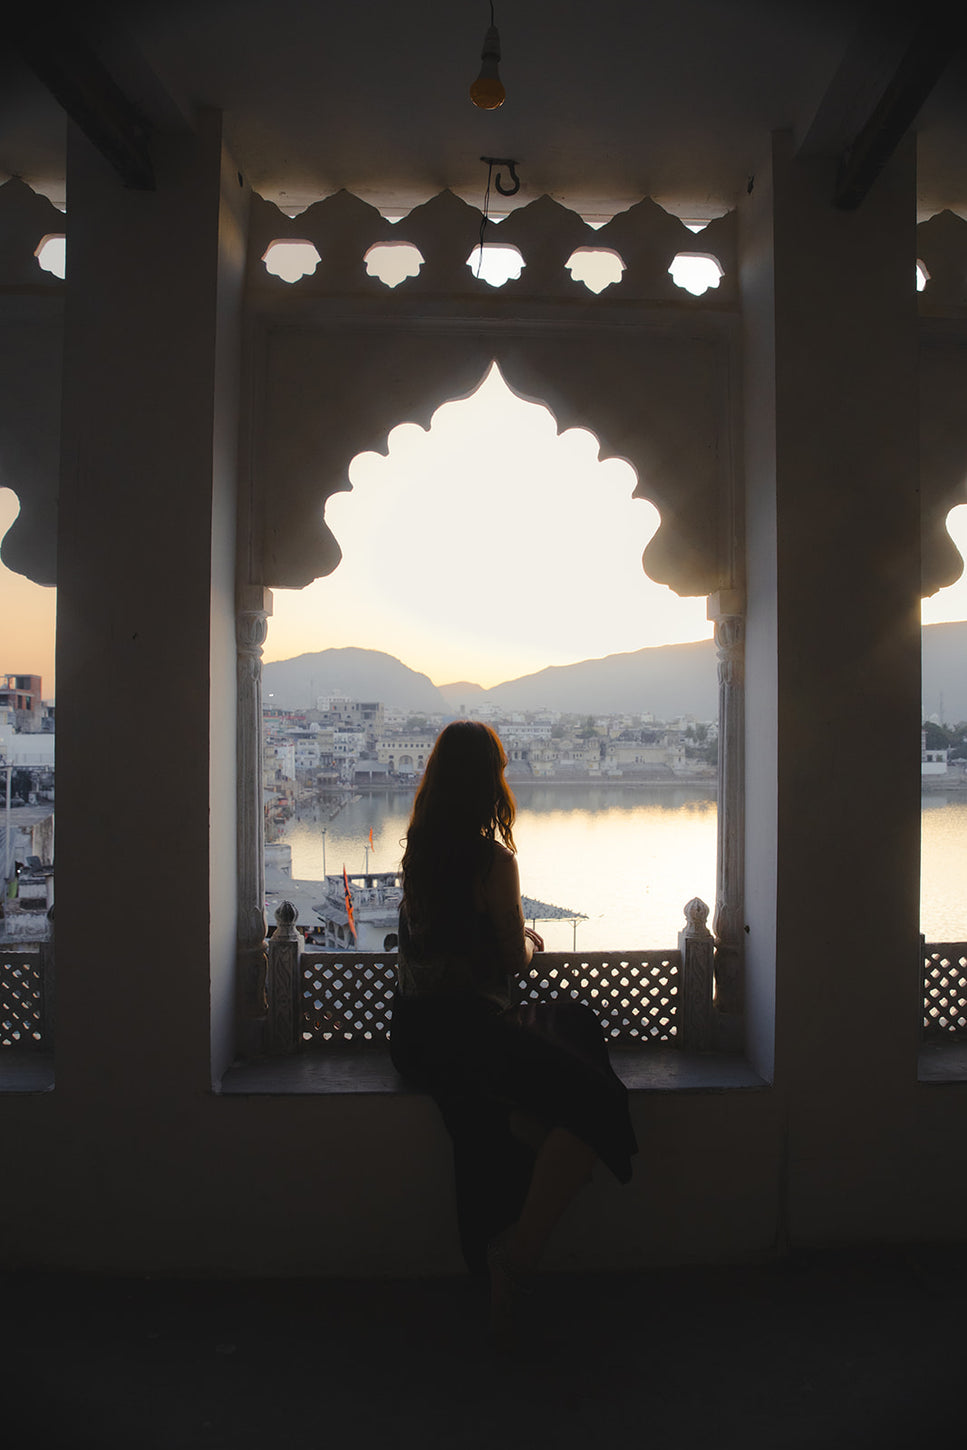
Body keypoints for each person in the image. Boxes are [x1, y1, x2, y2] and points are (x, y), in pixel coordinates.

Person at [389, 720, 637, 1340]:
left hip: (415, 1037)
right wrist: (526, 939)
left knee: (560, 1064)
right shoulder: (493, 861)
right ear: (488, 782)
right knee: (594, 1101)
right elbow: (509, 959)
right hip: (472, 1031)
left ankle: (509, 1243)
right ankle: (516, 1258)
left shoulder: (417, 849)